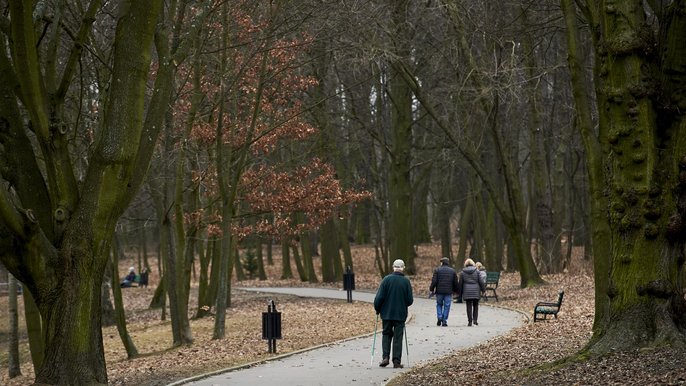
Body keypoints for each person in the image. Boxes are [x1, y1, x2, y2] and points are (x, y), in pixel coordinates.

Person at [374, 259, 413, 369]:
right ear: (403, 268)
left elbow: (379, 297)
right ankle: (396, 361)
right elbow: (410, 300)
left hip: (386, 313)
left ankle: (385, 357)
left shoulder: (386, 280)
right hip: (400, 314)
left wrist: (377, 309)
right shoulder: (406, 281)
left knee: (386, 334)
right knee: (398, 337)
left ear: (393, 267)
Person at [429, 257, 459, 327]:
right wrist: (456, 290)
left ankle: (439, 317)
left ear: (442, 263)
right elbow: (455, 282)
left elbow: (434, 281)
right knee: (447, 306)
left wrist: (431, 289)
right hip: (448, 292)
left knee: (439, 304)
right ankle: (444, 320)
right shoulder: (452, 271)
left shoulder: (437, 270)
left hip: (439, 291)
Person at [459, 258, 485, 326]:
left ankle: (470, 321)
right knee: (476, 306)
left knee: (468, 306)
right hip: (476, 290)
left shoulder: (462, 272)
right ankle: (475, 320)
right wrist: (483, 290)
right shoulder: (477, 271)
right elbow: (481, 281)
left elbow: (460, 283)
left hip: (467, 291)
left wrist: (460, 293)